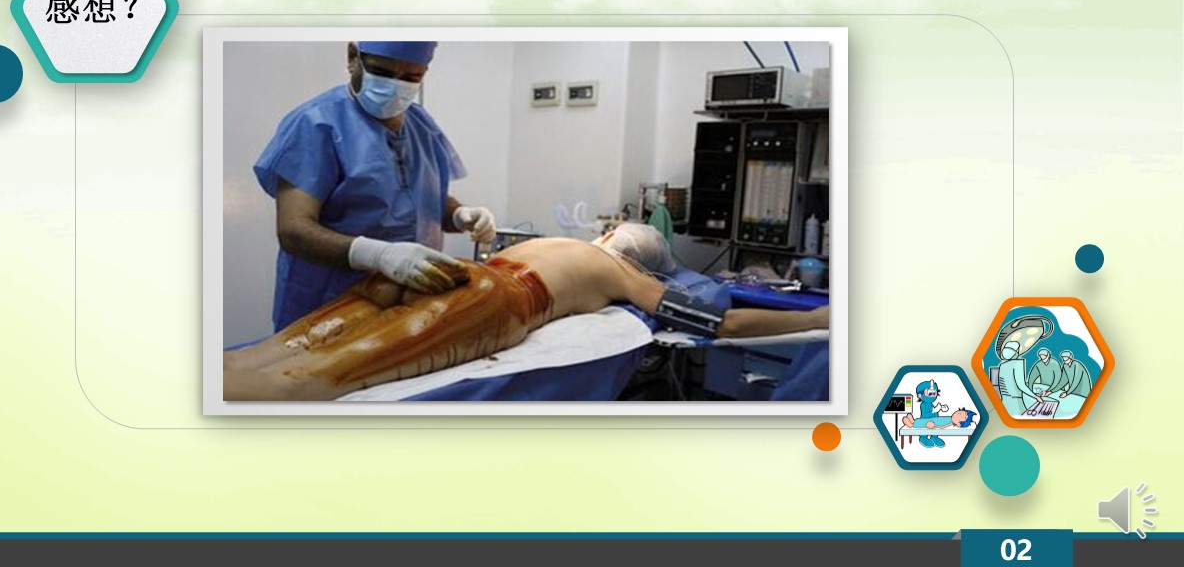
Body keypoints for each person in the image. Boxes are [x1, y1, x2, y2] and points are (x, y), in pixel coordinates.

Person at [224, 225, 829, 401]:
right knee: (310, 379)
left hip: (440, 270)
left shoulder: (554, 243)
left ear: (610, 234)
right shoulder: (622, 275)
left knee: (276, 352)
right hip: (496, 301)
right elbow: (722, 324)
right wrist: (814, 318)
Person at [253, 41, 498, 331]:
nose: (395, 86)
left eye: (412, 77)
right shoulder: (315, 124)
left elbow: (422, 199)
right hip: (328, 305)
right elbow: (294, 231)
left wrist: (459, 215)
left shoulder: (420, 124)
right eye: (382, 72)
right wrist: (380, 256)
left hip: (410, 303)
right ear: (353, 57)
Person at [997, 341, 1042, 416]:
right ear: (1015, 351)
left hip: (1004, 402)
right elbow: (1021, 385)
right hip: (1016, 402)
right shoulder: (1018, 363)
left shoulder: (1002, 365)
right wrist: (1036, 396)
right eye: (1018, 349)